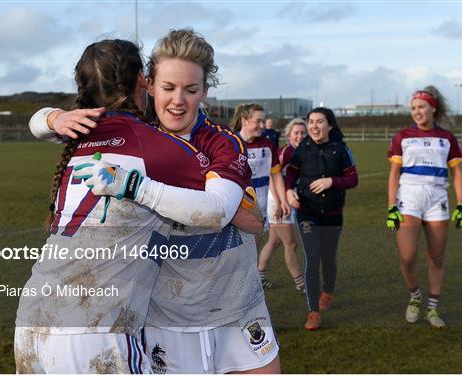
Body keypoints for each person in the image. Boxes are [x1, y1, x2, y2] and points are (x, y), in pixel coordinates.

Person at [29, 29, 280, 374]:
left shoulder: (222, 143)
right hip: (166, 315)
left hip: (236, 305)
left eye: (191, 90)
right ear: (147, 84)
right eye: (168, 88)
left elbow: (253, 222)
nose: (178, 100)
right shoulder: (133, 138)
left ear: (205, 91)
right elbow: (43, 125)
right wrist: (54, 118)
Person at [387, 85, 462, 328]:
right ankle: (415, 296)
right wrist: (391, 206)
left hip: (437, 200)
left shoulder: (447, 138)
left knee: (436, 257)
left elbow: (457, 173)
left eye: (421, 107)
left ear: (433, 108)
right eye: (413, 108)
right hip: (408, 199)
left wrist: (461, 204)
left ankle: (432, 308)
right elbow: (393, 174)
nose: (417, 111)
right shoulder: (403, 136)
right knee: (408, 257)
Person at [285, 107, 358, 330]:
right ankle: (313, 311)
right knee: (312, 256)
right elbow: (291, 174)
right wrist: (289, 191)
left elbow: (353, 179)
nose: (314, 126)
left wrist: (331, 182)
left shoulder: (341, 149)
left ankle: (328, 291)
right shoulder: (302, 149)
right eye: (311, 122)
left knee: (328, 257)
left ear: (330, 126)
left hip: (333, 213)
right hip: (307, 211)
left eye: (319, 122)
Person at [231, 103, 291, 288]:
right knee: (234, 256)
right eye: (258, 121)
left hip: (260, 210)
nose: (262, 125)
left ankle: (248, 289)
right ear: (244, 121)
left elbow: (275, 175)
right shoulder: (231, 143)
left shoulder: (268, 144)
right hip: (234, 211)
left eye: (263, 121)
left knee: (252, 253)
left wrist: (282, 201)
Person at [258, 118, 307, 291]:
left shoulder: (301, 152)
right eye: (296, 133)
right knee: (291, 243)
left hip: (286, 200)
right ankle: (301, 285)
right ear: (288, 135)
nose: (300, 136)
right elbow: (272, 175)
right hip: (277, 201)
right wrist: (279, 202)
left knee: (274, 241)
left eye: (303, 133)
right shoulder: (286, 152)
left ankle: (259, 277)